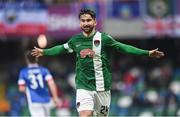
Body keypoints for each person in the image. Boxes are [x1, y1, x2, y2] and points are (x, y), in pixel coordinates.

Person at [31, 9, 165, 117]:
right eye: (83, 21)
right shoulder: (75, 40)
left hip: (103, 88)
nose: (85, 23)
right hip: (83, 86)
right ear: (79, 23)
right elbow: (61, 48)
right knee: (85, 114)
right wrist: (45, 52)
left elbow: (124, 47)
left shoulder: (104, 39)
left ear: (95, 22)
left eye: (88, 20)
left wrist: (146, 53)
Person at [18, 51, 60, 117]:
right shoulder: (44, 70)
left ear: (26, 60)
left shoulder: (24, 72)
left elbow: (21, 88)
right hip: (46, 99)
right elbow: (51, 84)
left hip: (34, 100)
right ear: (37, 59)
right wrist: (55, 97)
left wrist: (29, 90)